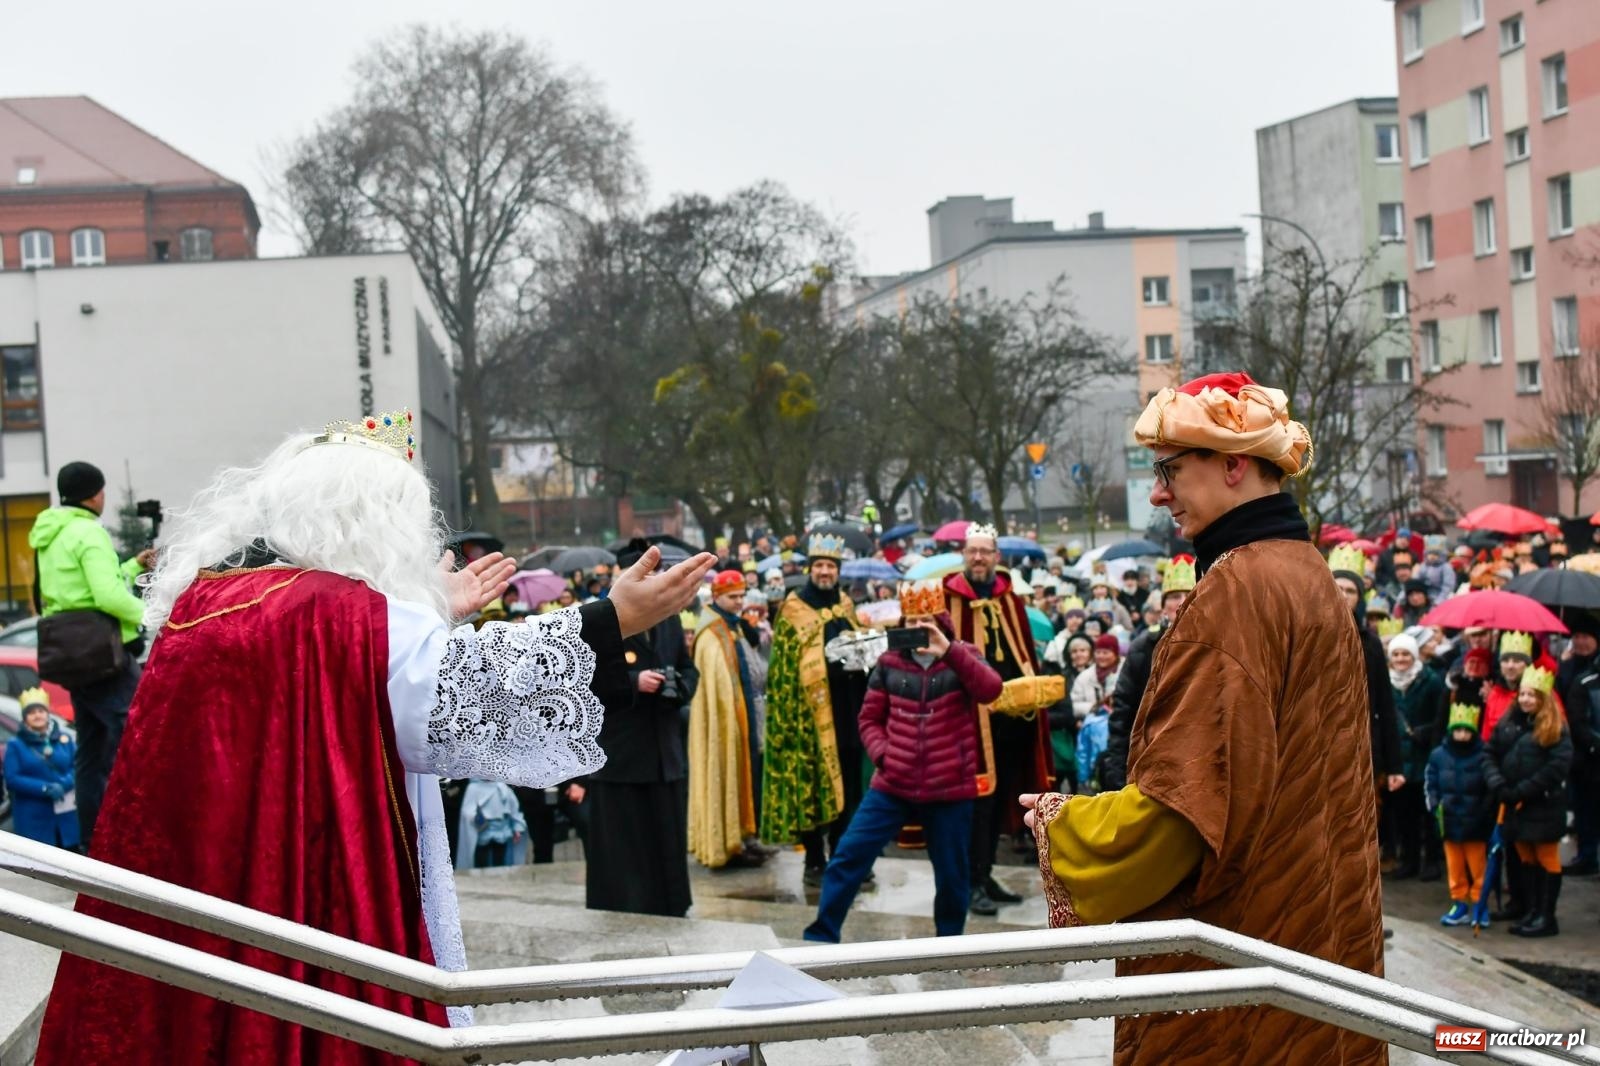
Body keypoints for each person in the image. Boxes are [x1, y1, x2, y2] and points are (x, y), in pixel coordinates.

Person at [35, 412, 714, 1060]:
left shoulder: (213, 597)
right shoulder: (340, 614)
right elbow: (455, 701)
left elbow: (378, 680)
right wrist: (608, 619)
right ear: (370, 523)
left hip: (203, 891)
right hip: (310, 890)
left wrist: (429, 610)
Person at [1023, 372, 1384, 1065]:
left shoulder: (1237, 589)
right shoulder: (1308, 572)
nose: (1158, 494)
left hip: (1241, 955)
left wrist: (1062, 827)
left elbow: (1182, 813)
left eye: (1170, 471)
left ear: (1234, 465)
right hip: (1315, 938)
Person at [802, 582, 1001, 943]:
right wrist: (884, 754)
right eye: (913, 619)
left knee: (953, 874)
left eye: (927, 619)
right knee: (849, 856)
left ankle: (949, 944)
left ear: (940, 620)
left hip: (950, 787)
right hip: (893, 783)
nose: (920, 626)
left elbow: (991, 689)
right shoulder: (890, 661)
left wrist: (950, 651)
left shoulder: (964, 655)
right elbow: (869, 719)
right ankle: (821, 935)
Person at [28, 460, 152, 848]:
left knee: (91, 752)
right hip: (103, 656)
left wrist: (131, 566)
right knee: (139, 735)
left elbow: (73, 591)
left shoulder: (50, 533)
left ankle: (90, 841)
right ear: (94, 494)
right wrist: (156, 614)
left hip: (73, 655)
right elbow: (107, 596)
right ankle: (132, 836)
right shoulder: (88, 532)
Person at [944, 523, 1054, 917]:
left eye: (985, 552)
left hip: (1010, 722)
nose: (978, 558)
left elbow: (1024, 654)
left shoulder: (1010, 600)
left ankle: (985, 873)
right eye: (972, 551)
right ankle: (970, 882)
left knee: (998, 801)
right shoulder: (949, 599)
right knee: (975, 806)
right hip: (967, 724)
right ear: (963, 553)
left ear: (996, 557)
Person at [585, 538, 698, 917]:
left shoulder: (671, 618)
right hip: (623, 754)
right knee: (625, 845)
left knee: (666, 838)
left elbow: (687, 667)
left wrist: (678, 686)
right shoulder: (602, 619)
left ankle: (671, 903)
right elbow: (588, 681)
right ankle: (629, 907)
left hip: (663, 749)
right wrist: (635, 681)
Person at [761, 534, 868, 885]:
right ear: (810, 569)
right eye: (819, 565)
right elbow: (784, 670)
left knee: (850, 786)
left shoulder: (846, 604)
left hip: (848, 711)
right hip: (807, 716)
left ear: (838, 571)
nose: (825, 572)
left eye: (830, 566)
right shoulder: (793, 609)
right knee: (811, 785)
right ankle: (814, 860)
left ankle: (844, 854)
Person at [1483, 665, 1573, 937]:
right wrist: (1498, 783)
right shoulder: (1508, 723)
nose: (1524, 700)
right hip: (1513, 804)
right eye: (1522, 694)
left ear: (1543, 699)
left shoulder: (1555, 729)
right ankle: (1532, 910)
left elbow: (1556, 768)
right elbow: (1489, 753)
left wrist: (1522, 790)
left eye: (1531, 695)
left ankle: (1547, 916)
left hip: (1542, 804)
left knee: (1545, 856)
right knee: (1525, 857)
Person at [688, 569, 769, 868]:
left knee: (748, 776)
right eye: (732, 597)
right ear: (717, 596)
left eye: (741, 596)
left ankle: (745, 835)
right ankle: (726, 842)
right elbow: (716, 684)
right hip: (727, 721)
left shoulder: (733, 626)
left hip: (746, 715)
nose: (738, 602)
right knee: (728, 771)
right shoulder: (711, 632)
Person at [1101, 555, 1196, 792]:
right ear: (1163, 606)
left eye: (1189, 594)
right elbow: (1123, 711)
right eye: (1174, 596)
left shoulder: (1215, 643)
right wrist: (1117, 767)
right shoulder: (1143, 648)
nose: (1182, 602)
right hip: (1151, 760)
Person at [1425, 703, 1495, 927]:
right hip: (1449, 820)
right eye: (1458, 730)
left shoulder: (1483, 755)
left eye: (1466, 730)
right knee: (1454, 867)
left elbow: (1489, 787)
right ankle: (1459, 902)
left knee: (1478, 866)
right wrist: (1436, 806)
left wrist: (1484, 811)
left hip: (1475, 822)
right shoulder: (1438, 755)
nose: (1462, 735)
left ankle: (1479, 903)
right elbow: (1431, 783)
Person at [1387, 633, 1444, 882]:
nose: (1401, 659)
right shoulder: (1387, 683)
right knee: (1403, 814)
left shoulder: (1431, 681)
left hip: (1424, 754)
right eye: (1397, 654)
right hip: (1399, 758)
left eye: (1405, 654)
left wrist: (1425, 732)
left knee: (1427, 813)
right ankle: (1408, 860)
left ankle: (1431, 861)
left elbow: (1441, 718)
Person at [3, 687, 79, 850]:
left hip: (66, 815)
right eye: (31, 713)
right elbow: (12, 778)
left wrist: (65, 783)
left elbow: (78, 765)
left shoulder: (64, 740)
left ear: (47, 714)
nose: (37, 715)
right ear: (25, 718)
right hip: (34, 816)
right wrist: (44, 788)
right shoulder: (16, 745)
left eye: (40, 711)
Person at [1073, 635, 1118, 794]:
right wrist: (1094, 708)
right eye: (1098, 652)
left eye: (1106, 652)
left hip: (1117, 730)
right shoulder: (1085, 677)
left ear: (1115, 653)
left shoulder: (1124, 672)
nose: (1101, 656)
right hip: (1091, 730)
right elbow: (1074, 704)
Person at [454, 779, 528, 869]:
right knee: (482, 861)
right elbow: (467, 812)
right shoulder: (473, 788)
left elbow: (514, 810)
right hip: (483, 831)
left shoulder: (502, 787)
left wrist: (517, 828)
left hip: (502, 831)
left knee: (500, 861)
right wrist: (477, 819)